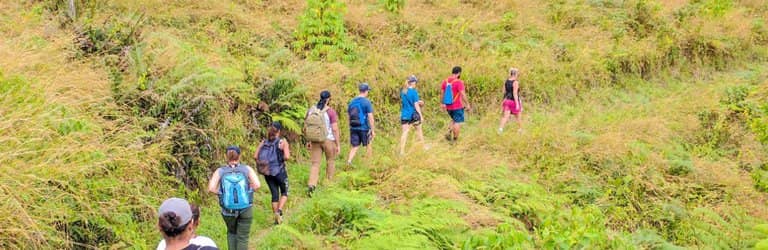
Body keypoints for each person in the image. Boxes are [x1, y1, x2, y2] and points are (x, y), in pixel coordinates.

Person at [207, 146, 260, 250]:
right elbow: (257, 185)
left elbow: (211, 188)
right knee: (243, 237)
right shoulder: (246, 169)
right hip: (246, 208)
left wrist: (220, 193)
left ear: (226, 156)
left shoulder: (220, 171)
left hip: (228, 210)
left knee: (231, 233)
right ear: (239, 156)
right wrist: (249, 191)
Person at [305, 90, 341, 197]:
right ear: (329, 99)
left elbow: (307, 126)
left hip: (315, 140)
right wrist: (338, 144)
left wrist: (309, 140)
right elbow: (334, 129)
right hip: (328, 140)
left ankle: (311, 185)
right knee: (330, 161)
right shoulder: (330, 112)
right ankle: (328, 184)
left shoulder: (311, 110)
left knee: (315, 164)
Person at [254, 122, 291, 224]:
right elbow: (287, 157)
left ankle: (276, 218)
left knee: (274, 194)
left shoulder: (264, 142)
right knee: (285, 192)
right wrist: (282, 158)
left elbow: (255, 156)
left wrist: (260, 146)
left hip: (267, 173)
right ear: (279, 131)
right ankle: (279, 212)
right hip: (279, 171)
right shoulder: (282, 142)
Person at [346, 83, 375, 165]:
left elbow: (348, 116)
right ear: (366, 91)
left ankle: (349, 161)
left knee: (354, 146)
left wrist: (350, 126)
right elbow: (370, 117)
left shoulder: (352, 102)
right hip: (364, 127)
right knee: (368, 145)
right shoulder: (366, 102)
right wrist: (373, 130)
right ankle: (369, 163)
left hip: (353, 127)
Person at [441, 66, 471, 142]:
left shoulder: (445, 81)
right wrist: (467, 104)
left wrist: (442, 103)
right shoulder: (459, 82)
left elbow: (442, 93)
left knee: (453, 120)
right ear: (459, 73)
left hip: (448, 106)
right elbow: (463, 94)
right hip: (457, 106)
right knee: (458, 122)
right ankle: (455, 140)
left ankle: (448, 133)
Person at [398, 75, 425, 155]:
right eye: (415, 82)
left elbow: (408, 101)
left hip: (404, 114)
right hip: (413, 115)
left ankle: (401, 151)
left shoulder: (403, 91)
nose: (416, 83)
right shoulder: (414, 92)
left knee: (404, 133)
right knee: (419, 130)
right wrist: (421, 115)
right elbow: (416, 105)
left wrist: (418, 101)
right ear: (412, 82)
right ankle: (423, 147)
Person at [499, 68, 523, 133]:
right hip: (513, 101)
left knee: (505, 117)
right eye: (517, 74)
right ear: (515, 74)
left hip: (507, 101)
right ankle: (520, 129)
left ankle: (500, 129)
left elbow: (503, 92)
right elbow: (515, 93)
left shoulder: (506, 81)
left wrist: (503, 101)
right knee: (518, 116)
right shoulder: (515, 82)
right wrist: (517, 104)